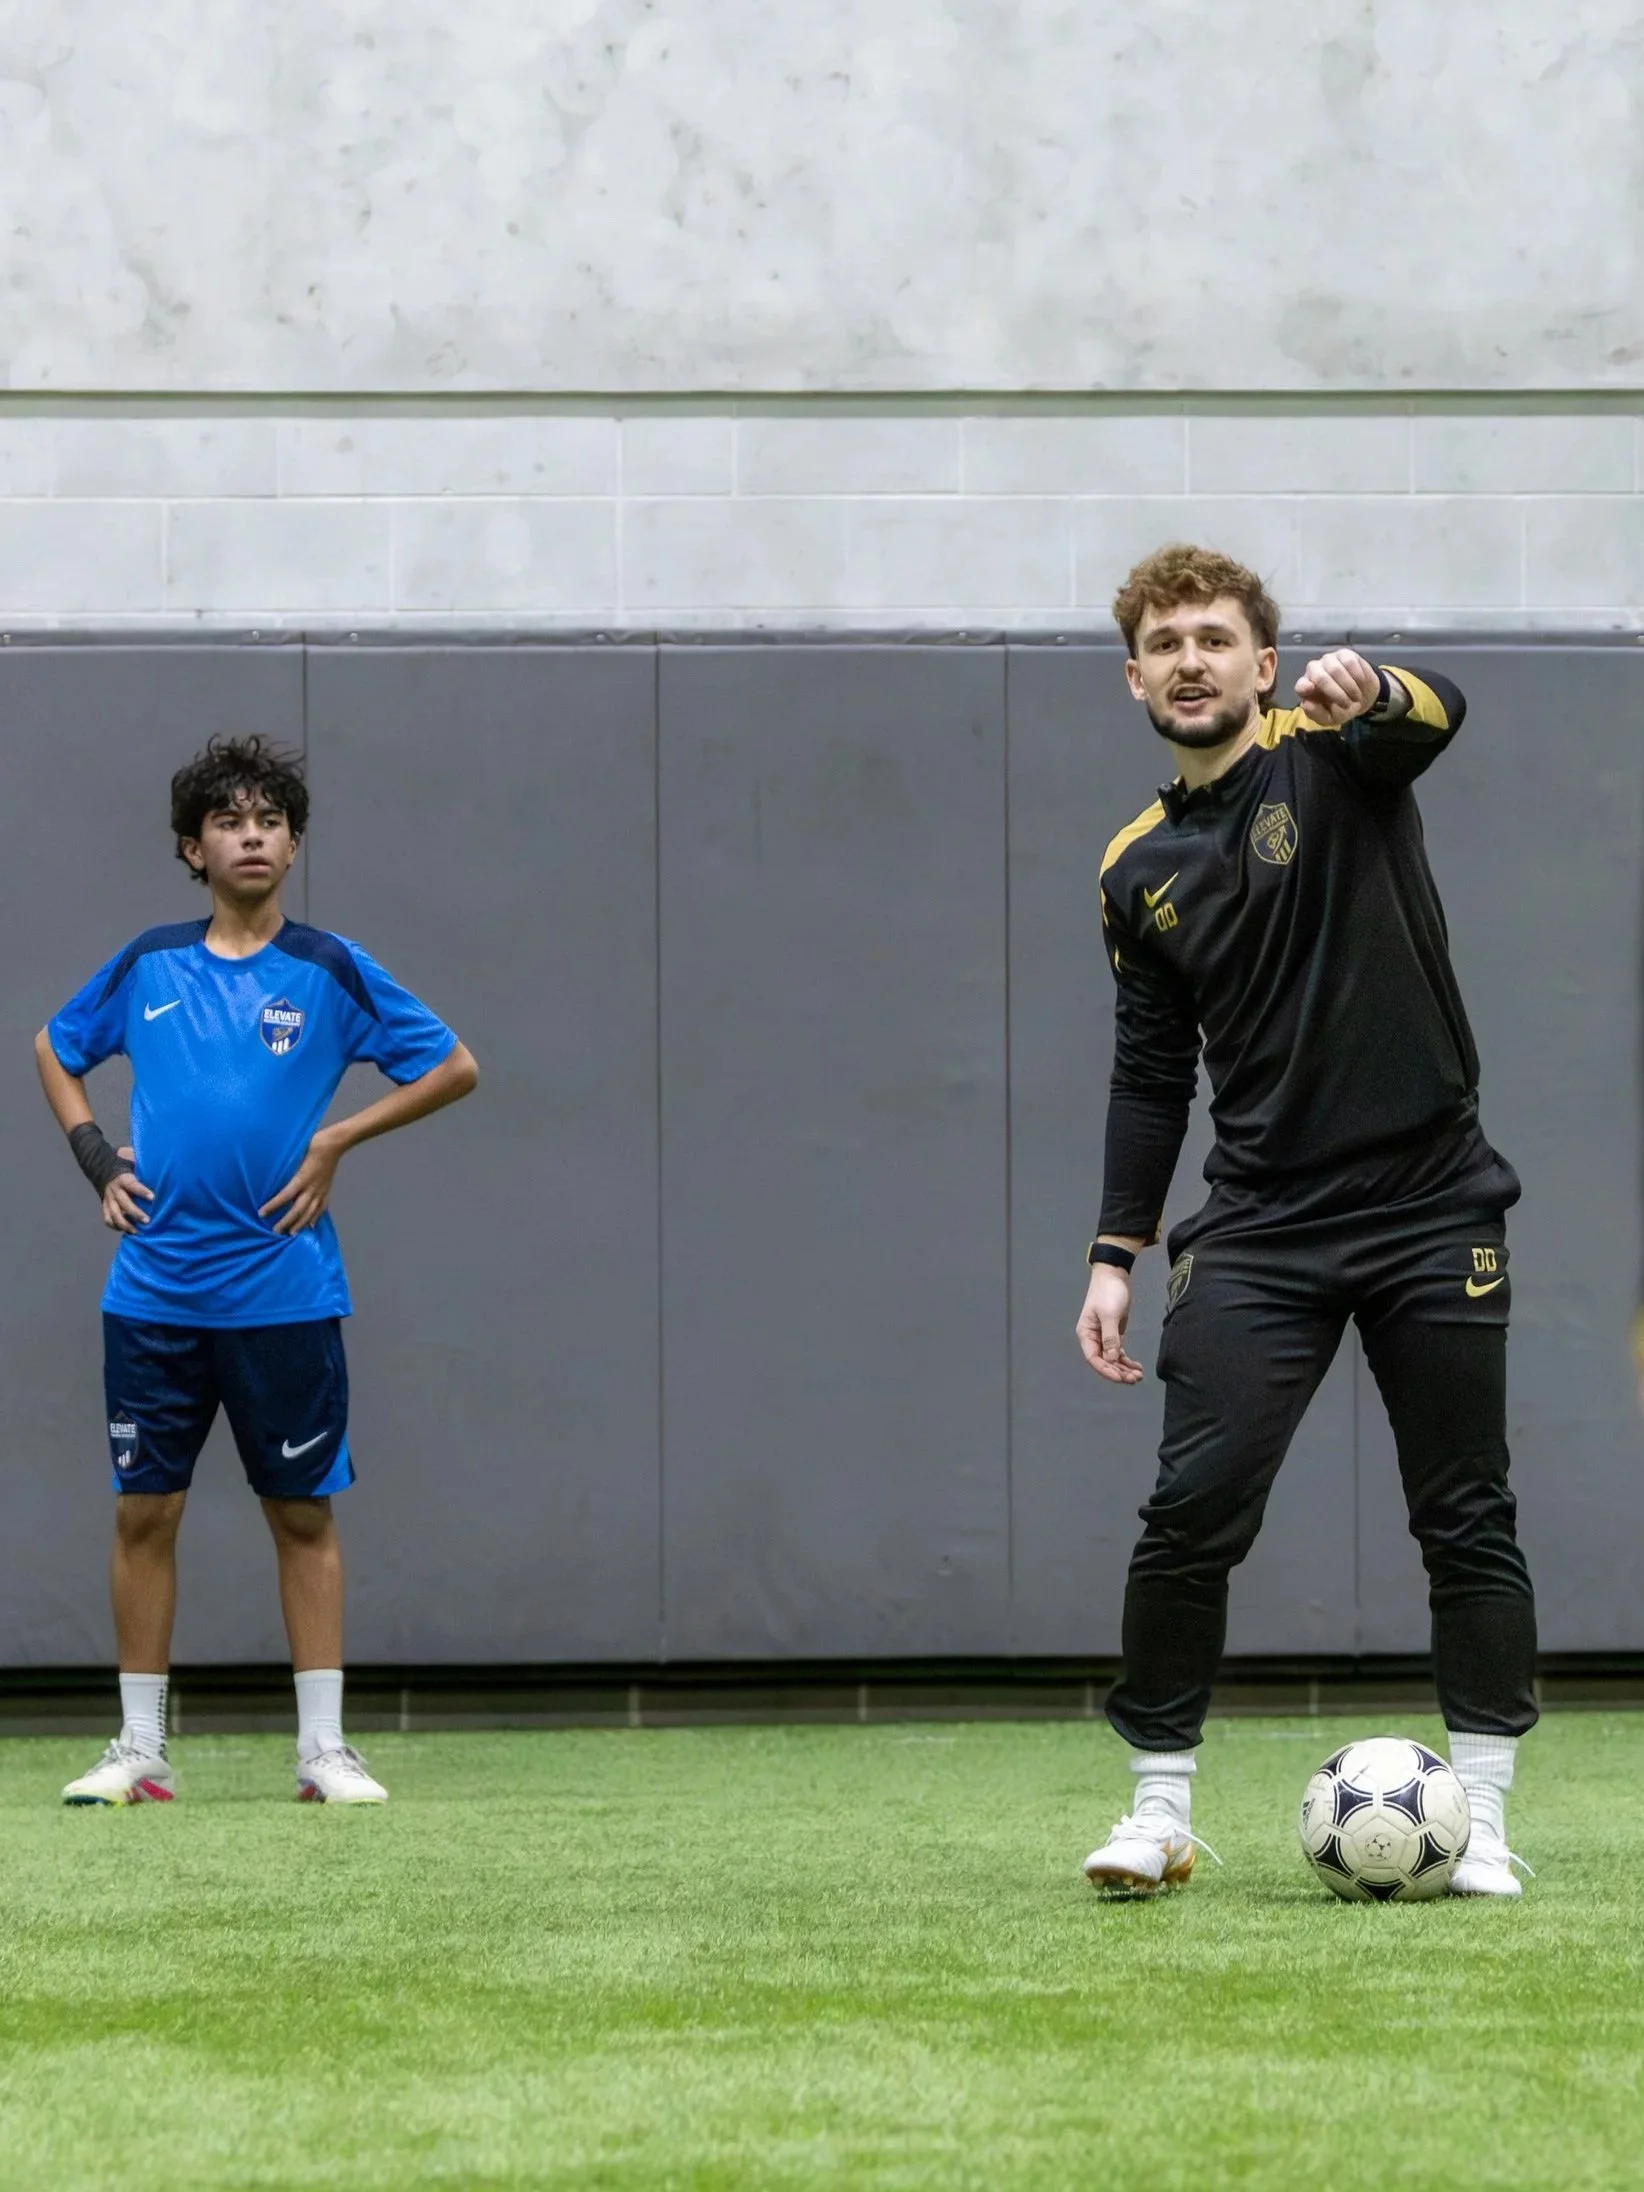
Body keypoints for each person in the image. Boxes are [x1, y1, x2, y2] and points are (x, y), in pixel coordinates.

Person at [1075, 545, 1537, 1898]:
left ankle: (1482, 1821)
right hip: (1263, 1227)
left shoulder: (1338, 753)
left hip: (1432, 1205)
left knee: (1465, 1511)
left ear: (1263, 664)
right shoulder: (1135, 868)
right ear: (1135, 680)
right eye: (1166, 645)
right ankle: (1159, 1813)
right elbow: (1150, 1074)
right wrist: (1113, 1253)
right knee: (1190, 1508)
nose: (1191, 661)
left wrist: (1374, 686)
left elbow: (1439, 710)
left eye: (1215, 638)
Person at [37, 736, 478, 1806]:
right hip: (153, 1294)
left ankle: (323, 1751)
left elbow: (454, 1065)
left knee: (302, 1513)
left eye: (271, 821)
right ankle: (140, 1748)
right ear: (194, 849)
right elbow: (55, 1046)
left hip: (283, 1291)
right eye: (229, 822)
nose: (252, 837)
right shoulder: (149, 964)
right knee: (145, 1512)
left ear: (292, 844)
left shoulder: (330, 968)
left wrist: (336, 1141)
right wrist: (97, 1157)